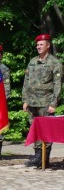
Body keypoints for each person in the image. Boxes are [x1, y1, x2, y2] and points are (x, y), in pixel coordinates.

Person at [22, 34, 63, 168]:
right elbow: (26, 82)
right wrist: (25, 100)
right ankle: (37, 155)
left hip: (46, 102)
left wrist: (53, 103)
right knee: (34, 129)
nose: (38, 47)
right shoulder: (32, 61)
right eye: (37, 45)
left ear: (48, 46)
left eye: (41, 44)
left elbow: (58, 85)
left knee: (46, 130)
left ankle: (44, 158)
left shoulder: (54, 63)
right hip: (32, 102)